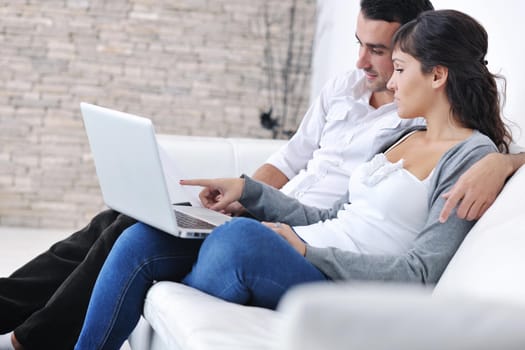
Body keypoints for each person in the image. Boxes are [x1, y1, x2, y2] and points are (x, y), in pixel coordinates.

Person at [1, 0, 523, 348]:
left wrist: (300, 249)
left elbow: (420, 275)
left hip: (332, 275)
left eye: (401, 67)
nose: (390, 80)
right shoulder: (402, 136)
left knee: (241, 243)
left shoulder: (470, 160)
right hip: (296, 245)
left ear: (438, 75)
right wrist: (251, 190)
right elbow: (332, 213)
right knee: (139, 234)